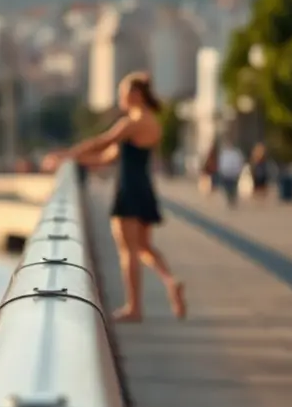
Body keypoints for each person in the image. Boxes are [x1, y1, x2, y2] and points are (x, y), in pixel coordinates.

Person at [41, 71, 186, 322]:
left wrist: (65, 155)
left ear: (136, 94)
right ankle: (170, 280)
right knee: (143, 246)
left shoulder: (132, 122)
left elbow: (102, 141)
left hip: (129, 188)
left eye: (123, 92)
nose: (120, 97)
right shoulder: (152, 122)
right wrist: (77, 160)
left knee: (127, 250)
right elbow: (107, 157)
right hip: (145, 187)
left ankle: (134, 308)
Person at [217, 141, 246, 207]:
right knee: (226, 187)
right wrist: (221, 170)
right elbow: (221, 162)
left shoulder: (236, 153)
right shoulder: (224, 153)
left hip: (233, 173)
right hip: (226, 172)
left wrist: (238, 171)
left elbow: (239, 162)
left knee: (233, 187)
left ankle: (232, 198)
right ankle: (229, 198)